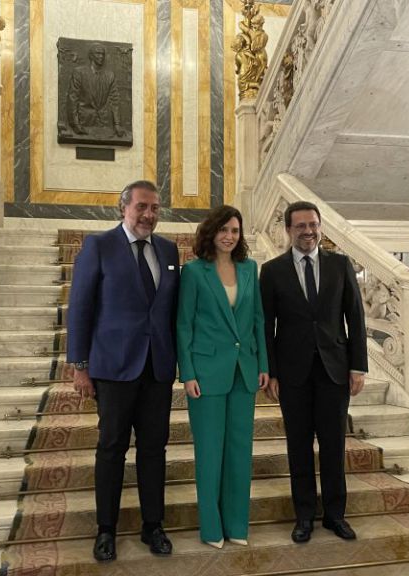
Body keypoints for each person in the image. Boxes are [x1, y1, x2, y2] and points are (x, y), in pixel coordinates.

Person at [67, 180, 180, 562]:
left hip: (157, 368)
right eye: (142, 207)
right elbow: (80, 307)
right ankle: (106, 530)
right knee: (112, 448)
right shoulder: (98, 246)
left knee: (154, 449)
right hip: (113, 367)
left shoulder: (168, 250)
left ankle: (153, 526)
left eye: (155, 208)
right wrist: (80, 366)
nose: (149, 214)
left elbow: (170, 310)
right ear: (123, 208)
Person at [259, 201, 367, 544]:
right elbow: (266, 327)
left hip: (335, 371)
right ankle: (304, 515)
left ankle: (335, 515)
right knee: (299, 446)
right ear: (288, 230)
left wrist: (358, 365)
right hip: (293, 374)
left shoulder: (340, 265)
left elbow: (355, 317)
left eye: (313, 225)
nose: (308, 231)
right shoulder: (272, 271)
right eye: (301, 226)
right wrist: (271, 372)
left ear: (320, 227)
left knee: (334, 445)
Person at [176, 205, 269, 548]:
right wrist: (187, 373)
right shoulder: (193, 272)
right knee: (210, 452)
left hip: (244, 371)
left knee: (240, 452)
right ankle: (212, 528)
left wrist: (263, 365)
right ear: (211, 232)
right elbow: (184, 325)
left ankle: (237, 526)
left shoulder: (249, 268)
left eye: (235, 230)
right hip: (206, 373)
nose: (229, 236)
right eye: (224, 229)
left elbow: (258, 320)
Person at [66, 43, 124, 137]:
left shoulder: (110, 75)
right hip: (84, 121)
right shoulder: (79, 73)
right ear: (91, 56)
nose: (101, 56)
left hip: (104, 123)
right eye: (98, 53)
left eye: (102, 54)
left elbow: (115, 100)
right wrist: (75, 124)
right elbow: (73, 99)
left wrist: (117, 124)